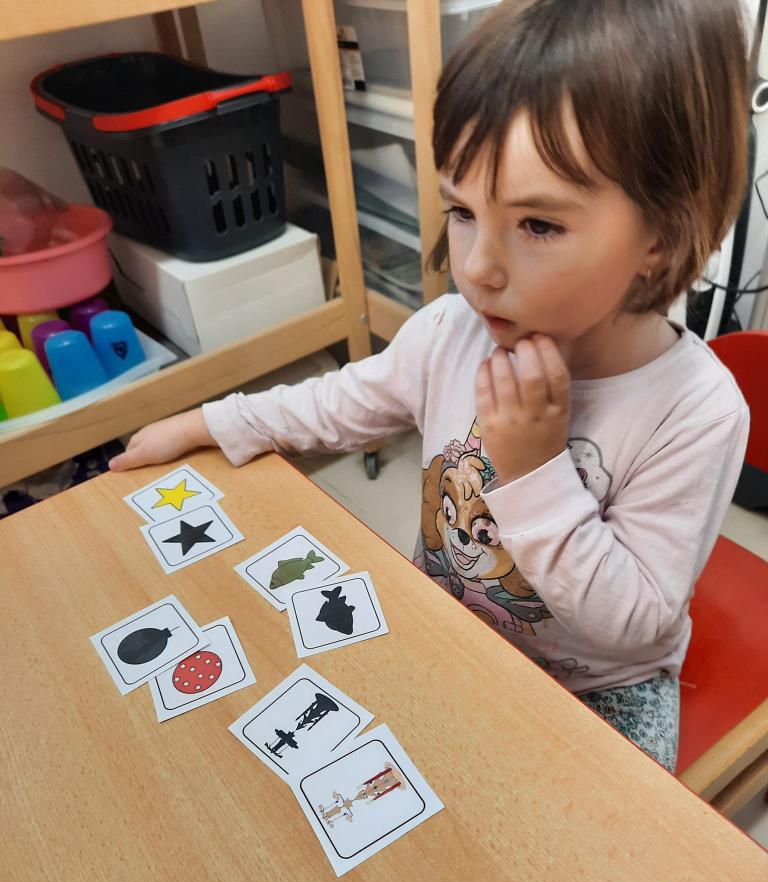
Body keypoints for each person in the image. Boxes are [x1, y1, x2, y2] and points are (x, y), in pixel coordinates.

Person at [110, 0, 751, 772]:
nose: (477, 266)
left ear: (663, 234)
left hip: (600, 689)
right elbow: (335, 405)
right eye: (462, 209)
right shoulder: (452, 333)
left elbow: (635, 622)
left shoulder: (697, 412)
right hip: (446, 625)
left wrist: (537, 471)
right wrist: (210, 422)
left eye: (538, 225)